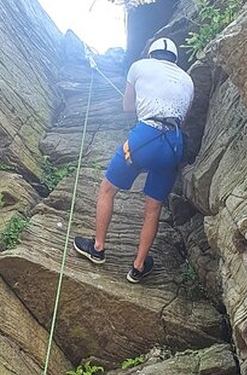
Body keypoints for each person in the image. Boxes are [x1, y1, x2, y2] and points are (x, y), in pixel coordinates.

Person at [73, 37, 194, 283]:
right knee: (153, 209)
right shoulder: (188, 80)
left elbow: (127, 106)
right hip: (173, 144)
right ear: (175, 59)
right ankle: (138, 266)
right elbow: (183, 118)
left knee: (107, 190)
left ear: (152, 54)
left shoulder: (140, 66)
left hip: (144, 139)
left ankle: (97, 248)